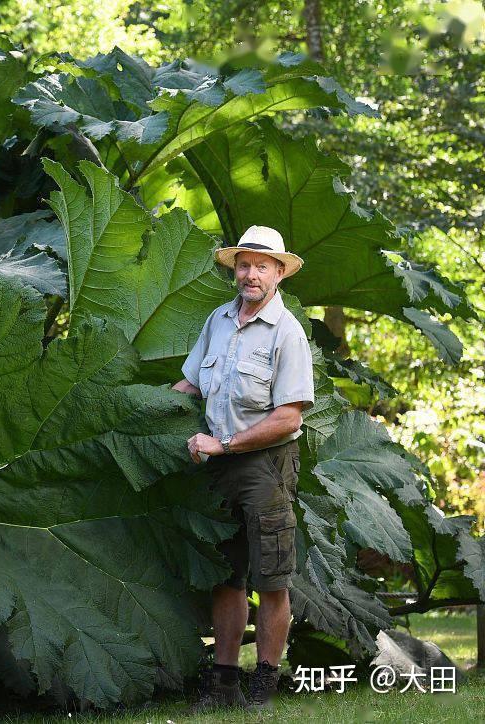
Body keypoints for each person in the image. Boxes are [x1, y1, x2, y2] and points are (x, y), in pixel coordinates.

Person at [172, 225, 315, 714]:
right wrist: (133, 419)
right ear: (235, 269)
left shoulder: (287, 333)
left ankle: (264, 685)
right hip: (218, 465)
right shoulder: (218, 319)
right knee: (226, 576)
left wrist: (224, 443)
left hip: (265, 467)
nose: (251, 274)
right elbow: (190, 385)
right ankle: (225, 680)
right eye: (244, 264)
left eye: (261, 265)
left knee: (272, 579)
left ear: (279, 273)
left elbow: (289, 417)